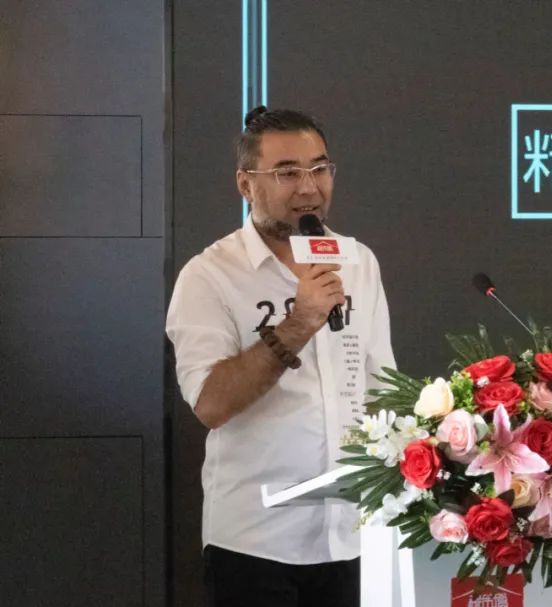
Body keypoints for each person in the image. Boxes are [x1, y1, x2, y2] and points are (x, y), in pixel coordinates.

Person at [166, 106, 395, 606]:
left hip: (351, 536)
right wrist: (297, 324)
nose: (309, 188)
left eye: (320, 169)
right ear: (246, 184)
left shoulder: (358, 261)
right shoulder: (209, 275)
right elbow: (211, 404)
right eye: (287, 173)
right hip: (255, 541)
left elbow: (380, 387)